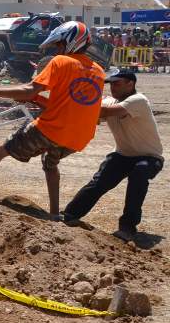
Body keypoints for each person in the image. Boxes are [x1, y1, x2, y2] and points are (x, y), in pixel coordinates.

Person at [0, 21, 105, 218]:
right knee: (51, 164)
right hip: (78, 137)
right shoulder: (99, 72)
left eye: (59, 44)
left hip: (51, 129)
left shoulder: (61, 62)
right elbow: (73, 106)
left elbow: (28, 90)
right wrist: (37, 99)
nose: (58, 48)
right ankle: (53, 214)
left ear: (71, 42)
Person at [63, 71, 163, 241]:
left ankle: (127, 228)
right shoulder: (109, 101)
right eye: (111, 84)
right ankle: (68, 215)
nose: (112, 87)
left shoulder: (138, 100)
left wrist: (75, 102)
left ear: (130, 84)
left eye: (117, 83)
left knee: (139, 173)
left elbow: (103, 111)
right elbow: (92, 113)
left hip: (150, 157)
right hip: (123, 155)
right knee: (99, 182)